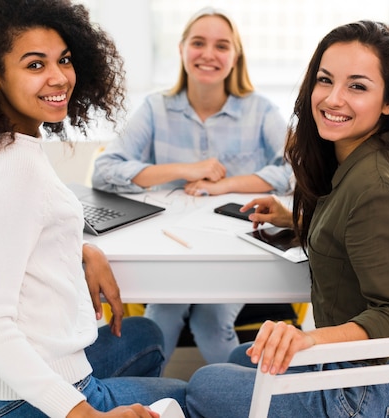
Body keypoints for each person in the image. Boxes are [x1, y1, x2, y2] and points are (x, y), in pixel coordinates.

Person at [0, 1, 186, 417]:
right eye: (34, 65)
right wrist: (85, 414)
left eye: (63, 60)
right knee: (192, 395)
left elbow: (1, 235)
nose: (59, 77)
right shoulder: (17, 172)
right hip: (10, 402)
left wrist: (81, 250)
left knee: (146, 335)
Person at [185, 20, 389, 417]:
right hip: (376, 378)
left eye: (357, 86)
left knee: (203, 383)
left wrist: (307, 340)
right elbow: (357, 231)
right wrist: (295, 220)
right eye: (325, 80)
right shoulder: (358, 161)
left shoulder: (378, 187)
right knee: (245, 357)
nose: (333, 98)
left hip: (371, 396)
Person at [93, 7, 292, 368]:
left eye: (221, 45)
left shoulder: (261, 110)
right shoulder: (155, 108)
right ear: (183, 49)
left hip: (236, 247)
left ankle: (242, 398)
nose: (208, 54)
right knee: (159, 319)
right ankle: (141, 400)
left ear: (235, 56)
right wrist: (186, 169)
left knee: (212, 322)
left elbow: (297, 169)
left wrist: (227, 184)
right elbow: (105, 170)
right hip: (171, 243)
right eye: (198, 43)